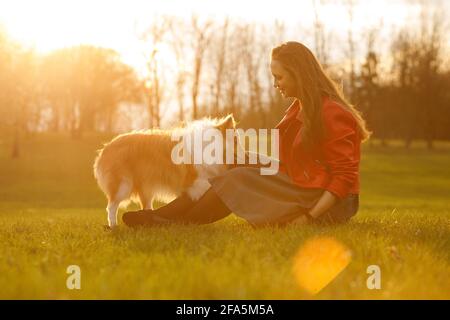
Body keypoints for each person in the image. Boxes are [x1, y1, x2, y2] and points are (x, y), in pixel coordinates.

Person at [122, 41, 371, 228]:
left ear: (299, 75)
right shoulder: (300, 108)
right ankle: (163, 215)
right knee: (235, 161)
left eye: (279, 77)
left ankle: (174, 223)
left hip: (331, 203)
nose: (276, 84)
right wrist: (246, 158)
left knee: (237, 177)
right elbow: (291, 161)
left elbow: (344, 178)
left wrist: (309, 217)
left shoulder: (332, 113)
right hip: (305, 183)